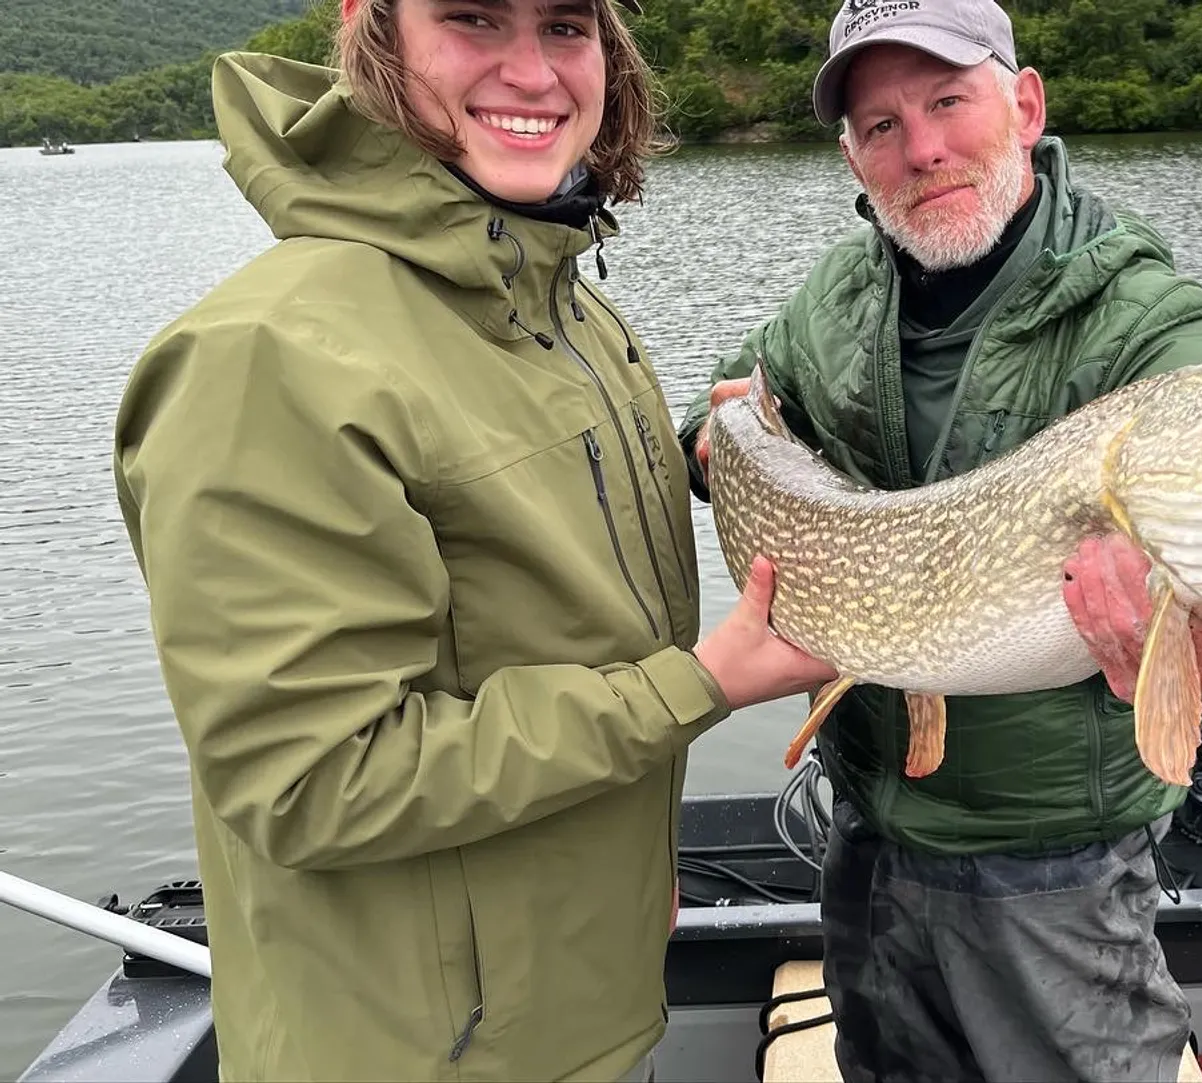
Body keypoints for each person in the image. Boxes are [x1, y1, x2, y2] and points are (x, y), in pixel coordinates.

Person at [111, 1, 834, 1079]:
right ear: (374, 27)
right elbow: (315, 779)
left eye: (565, 26)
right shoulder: (266, 357)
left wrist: (723, 455)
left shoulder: (569, 309)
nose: (533, 73)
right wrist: (701, 685)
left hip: (583, 1003)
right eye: (475, 19)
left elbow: (554, 605)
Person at [675, 1, 1202, 1078]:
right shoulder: (843, 291)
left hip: (1052, 864)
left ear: (1024, 103)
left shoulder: (1144, 320)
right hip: (869, 833)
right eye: (882, 125)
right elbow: (731, 402)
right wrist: (718, 438)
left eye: (948, 101)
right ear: (852, 153)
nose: (923, 149)